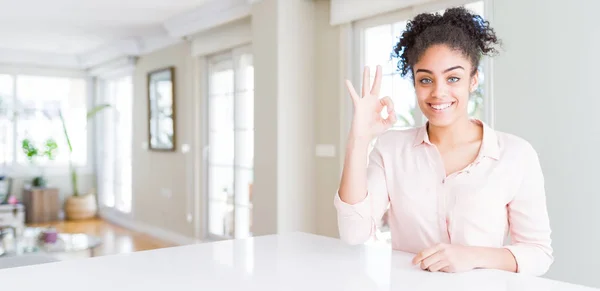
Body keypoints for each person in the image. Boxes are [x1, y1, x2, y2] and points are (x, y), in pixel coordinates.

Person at [334, 7, 553, 276]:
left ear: (473, 80)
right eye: (425, 79)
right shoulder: (391, 149)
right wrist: (358, 139)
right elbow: (353, 233)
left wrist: (471, 256)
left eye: (453, 78)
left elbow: (539, 254)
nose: (438, 92)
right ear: (414, 83)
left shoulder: (516, 155)